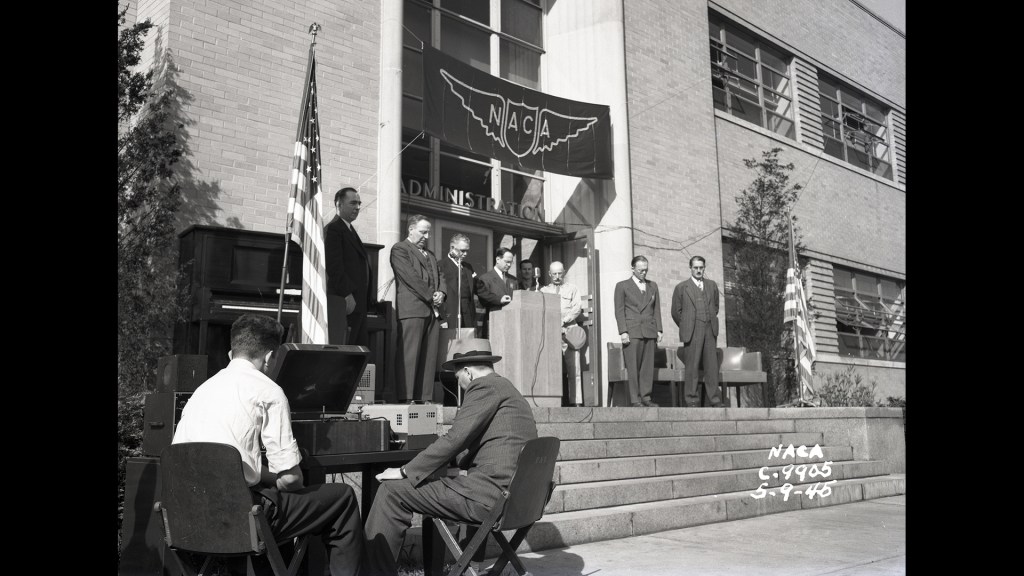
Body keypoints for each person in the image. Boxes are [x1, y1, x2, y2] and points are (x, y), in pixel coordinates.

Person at [172, 314, 364, 576]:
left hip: (188, 518)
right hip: (242, 520)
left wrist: (265, 476)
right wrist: (281, 476)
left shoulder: (201, 391)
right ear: (270, 357)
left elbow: (226, 462)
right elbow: (291, 481)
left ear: (231, 353)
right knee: (342, 497)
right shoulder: (268, 391)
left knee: (270, 497)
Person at [363, 338, 538, 576]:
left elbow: (456, 438)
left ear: (467, 371)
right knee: (433, 482)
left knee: (392, 491)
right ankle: (469, 568)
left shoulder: (484, 387)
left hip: (489, 497)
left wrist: (405, 471)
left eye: (458, 379)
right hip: (517, 500)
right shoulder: (508, 389)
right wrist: (443, 461)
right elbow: (476, 442)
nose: (461, 385)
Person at [391, 215, 447, 403]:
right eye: (423, 232)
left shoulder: (430, 255)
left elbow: (440, 276)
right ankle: (406, 398)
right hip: (412, 310)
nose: (427, 236)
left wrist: (442, 293)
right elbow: (411, 277)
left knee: (429, 357)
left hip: (431, 311)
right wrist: (432, 295)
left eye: (428, 232)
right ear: (411, 230)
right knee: (410, 355)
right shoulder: (400, 249)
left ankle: (425, 397)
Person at [671, 255, 725, 407]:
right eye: (695, 268)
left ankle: (715, 400)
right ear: (690, 268)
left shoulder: (712, 285)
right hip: (692, 331)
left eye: (701, 268)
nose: (698, 270)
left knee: (711, 367)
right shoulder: (681, 287)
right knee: (692, 367)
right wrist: (687, 324)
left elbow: (715, 307)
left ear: (704, 268)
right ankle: (692, 399)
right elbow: (676, 312)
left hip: (709, 329)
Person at [324, 186, 375, 347]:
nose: (358, 207)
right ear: (339, 204)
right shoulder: (333, 229)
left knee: (357, 352)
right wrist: (346, 294)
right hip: (346, 303)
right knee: (345, 349)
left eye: (359, 203)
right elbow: (333, 265)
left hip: (358, 303)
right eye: (353, 203)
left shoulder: (349, 229)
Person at [613, 256, 663, 407]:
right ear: (633, 269)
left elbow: (657, 310)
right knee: (633, 367)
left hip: (649, 330)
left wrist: (659, 330)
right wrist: (623, 331)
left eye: (646, 270)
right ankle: (635, 399)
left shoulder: (653, 286)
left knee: (647, 367)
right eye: (641, 270)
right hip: (632, 330)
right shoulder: (622, 286)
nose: (644, 273)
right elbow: (619, 310)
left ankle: (646, 398)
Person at [539, 261, 584, 405]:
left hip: (570, 331)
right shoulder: (543, 290)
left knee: (574, 367)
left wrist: (565, 319)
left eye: (560, 273)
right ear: (549, 274)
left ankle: (575, 401)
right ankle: (555, 401)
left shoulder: (572, 289)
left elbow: (577, 307)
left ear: (564, 272)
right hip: (552, 332)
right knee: (552, 367)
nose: (557, 276)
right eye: (554, 274)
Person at [474, 247, 518, 337]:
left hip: (512, 323)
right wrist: (499, 300)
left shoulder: (514, 280)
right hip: (493, 322)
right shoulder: (485, 278)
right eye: (507, 262)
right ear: (498, 259)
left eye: (511, 262)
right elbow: (483, 300)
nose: (509, 265)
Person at [439, 233, 477, 331]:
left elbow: (480, 288)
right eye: (462, 251)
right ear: (452, 247)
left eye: (467, 251)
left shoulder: (468, 267)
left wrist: (499, 298)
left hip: (468, 313)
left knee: (468, 344)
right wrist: (441, 319)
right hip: (451, 313)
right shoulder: (440, 266)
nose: (465, 254)